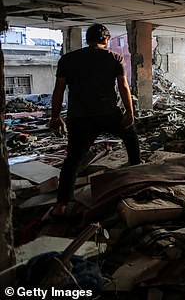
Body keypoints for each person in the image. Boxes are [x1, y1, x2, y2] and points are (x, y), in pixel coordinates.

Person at [47, 24, 140, 219]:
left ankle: (62, 204)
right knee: (130, 135)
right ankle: (137, 169)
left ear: (87, 39)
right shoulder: (114, 58)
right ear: (105, 40)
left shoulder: (67, 60)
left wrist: (55, 117)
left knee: (73, 160)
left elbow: (58, 90)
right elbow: (124, 87)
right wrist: (129, 112)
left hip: (79, 117)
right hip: (107, 113)